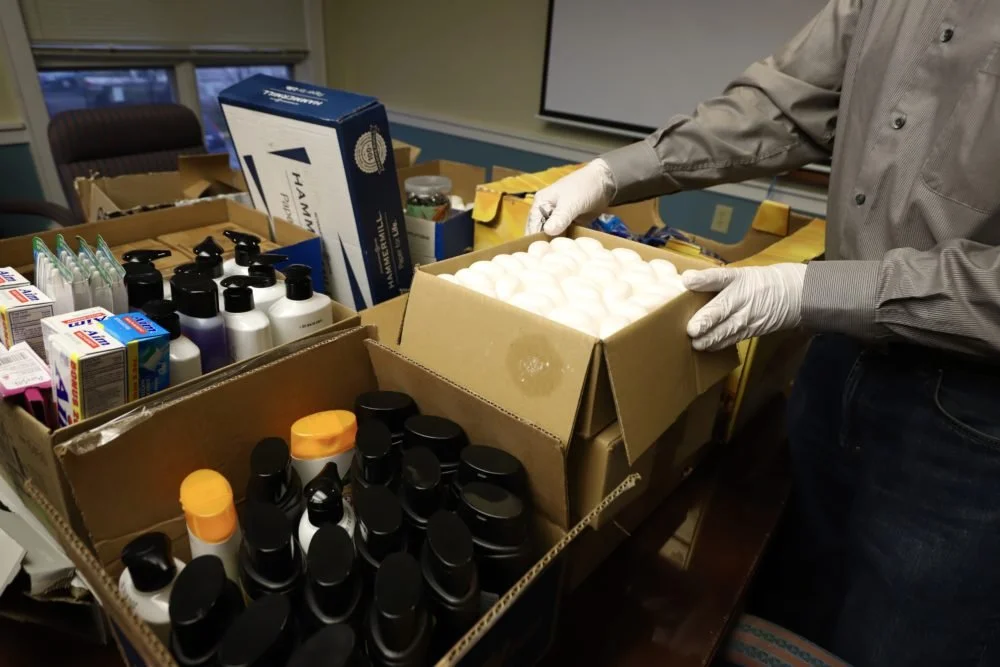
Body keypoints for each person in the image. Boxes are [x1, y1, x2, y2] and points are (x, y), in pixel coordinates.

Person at [526, 1, 1000, 665]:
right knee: (781, 598)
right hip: (834, 359)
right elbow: (782, 107)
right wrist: (615, 174)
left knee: (905, 639)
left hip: (968, 422)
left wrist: (815, 290)